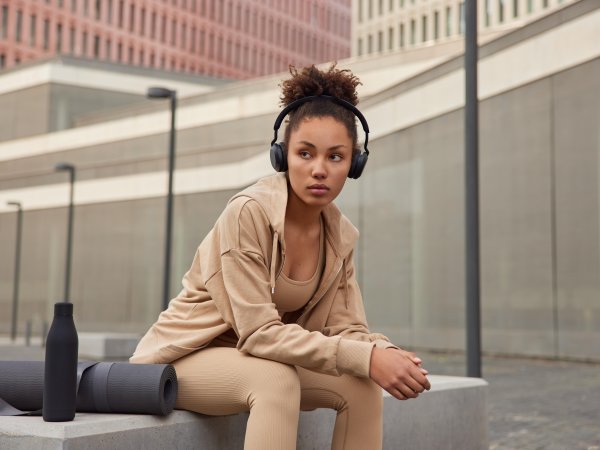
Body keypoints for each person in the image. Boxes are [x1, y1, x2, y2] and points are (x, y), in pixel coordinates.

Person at [130, 63, 431, 450]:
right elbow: (259, 333)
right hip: (186, 360)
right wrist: (365, 355)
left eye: (336, 157)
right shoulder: (248, 213)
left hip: (259, 357)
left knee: (361, 385)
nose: (319, 170)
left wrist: (381, 352)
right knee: (276, 380)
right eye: (305, 153)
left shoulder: (339, 236)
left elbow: (348, 331)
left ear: (354, 164)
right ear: (282, 155)